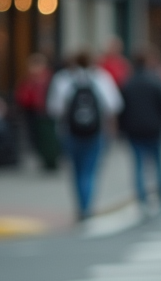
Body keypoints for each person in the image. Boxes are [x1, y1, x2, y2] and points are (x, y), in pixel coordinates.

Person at [48, 51, 122, 221]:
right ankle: (87, 207)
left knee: (76, 171)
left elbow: (55, 109)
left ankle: (81, 207)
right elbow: (113, 105)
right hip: (95, 132)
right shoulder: (101, 77)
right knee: (90, 171)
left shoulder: (63, 79)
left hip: (69, 132)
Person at [118, 50, 161, 212]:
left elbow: (121, 109)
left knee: (138, 165)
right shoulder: (155, 82)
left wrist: (123, 128)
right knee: (158, 163)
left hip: (134, 130)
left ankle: (142, 198)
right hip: (154, 129)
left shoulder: (128, 83)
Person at [14, 52, 60, 171]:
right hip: (32, 112)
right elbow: (22, 96)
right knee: (35, 138)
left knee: (48, 138)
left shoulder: (50, 79)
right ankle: (43, 158)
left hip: (47, 113)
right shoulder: (28, 80)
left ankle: (50, 160)